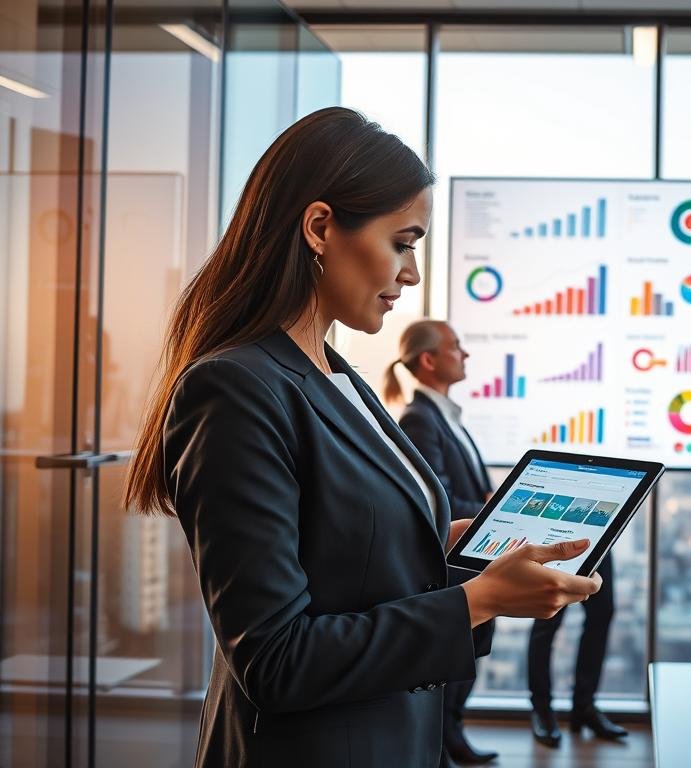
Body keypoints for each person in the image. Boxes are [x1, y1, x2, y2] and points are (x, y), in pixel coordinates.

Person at [123, 107, 602, 767]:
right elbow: (275, 660)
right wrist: (479, 599)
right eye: (403, 242)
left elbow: (342, 544)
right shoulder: (234, 389)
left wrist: (454, 541)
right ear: (321, 227)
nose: (410, 274)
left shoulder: (337, 375)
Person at [386, 320, 498, 766]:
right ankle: (443, 745)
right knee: (454, 664)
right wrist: (492, 508)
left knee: (468, 658)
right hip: (450, 567)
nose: (465, 354)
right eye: (456, 347)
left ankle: (450, 739)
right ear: (429, 360)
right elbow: (437, 499)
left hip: (467, 563)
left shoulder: (444, 416)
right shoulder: (419, 418)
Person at [527, 557, 623, 747]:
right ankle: (541, 709)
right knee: (547, 618)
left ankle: (584, 706)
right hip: (560, 536)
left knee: (603, 611)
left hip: (598, 535)